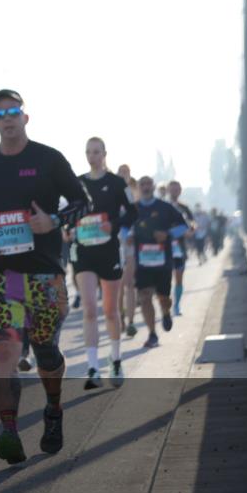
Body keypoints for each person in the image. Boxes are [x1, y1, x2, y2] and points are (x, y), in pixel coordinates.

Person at [0, 89, 90, 466]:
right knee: (5, 351)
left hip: (43, 271)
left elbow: (82, 201)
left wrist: (53, 221)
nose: (7, 118)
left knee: (44, 350)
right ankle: (8, 431)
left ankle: (53, 410)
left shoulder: (48, 158)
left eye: (13, 111)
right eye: (0, 113)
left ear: (25, 117)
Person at [73, 138, 136, 389]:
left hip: (108, 251)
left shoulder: (117, 183)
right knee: (89, 308)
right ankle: (92, 368)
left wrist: (115, 225)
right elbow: (69, 211)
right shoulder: (78, 183)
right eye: (88, 152)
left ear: (105, 154)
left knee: (110, 310)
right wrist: (68, 228)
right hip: (84, 252)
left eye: (96, 152)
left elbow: (133, 212)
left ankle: (116, 359)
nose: (92, 156)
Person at [132, 176, 189, 348]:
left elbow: (184, 226)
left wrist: (168, 234)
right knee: (144, 296)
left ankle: (165, 312)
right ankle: (152, 334)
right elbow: (123, 227)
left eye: (149, 184)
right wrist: (126, 236)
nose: (146, 187)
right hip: (141, 262)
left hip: (163, 261)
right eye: (142, 184)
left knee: (163, 296)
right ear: (139, 188)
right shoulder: (133, 209)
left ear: (154, 187)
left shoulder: (165, 207)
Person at [166, 181, 195, 316]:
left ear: (180, 190)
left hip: (180, 248)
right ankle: (165, 304)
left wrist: (191, 230)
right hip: (164, 248)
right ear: (168, 190)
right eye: (172, 189)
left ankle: (176, 305)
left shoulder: (184, 207)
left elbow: (192, 224)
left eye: (177, 189)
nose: (174, 192)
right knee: (164, 278)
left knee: (178, 277)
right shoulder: (162, 205)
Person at [116, 164, 139, 337]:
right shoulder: (111, 191)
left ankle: (131, 321)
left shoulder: (133, 192)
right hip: (114, 242)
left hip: (129, 241)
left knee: (129, 283)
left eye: (126, 172)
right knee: (118, 286)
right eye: (121, 172)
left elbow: (137, 215)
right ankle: (121, 317)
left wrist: (131, 232)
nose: (124, 175)